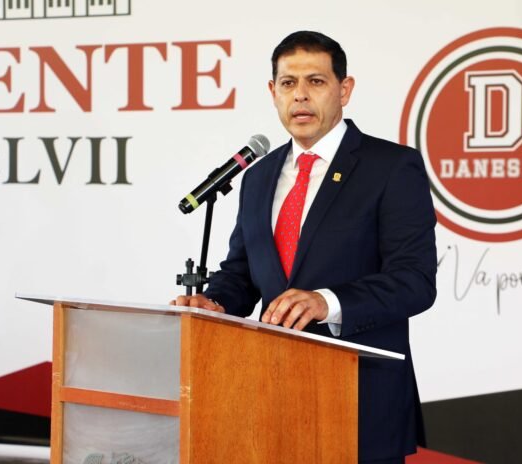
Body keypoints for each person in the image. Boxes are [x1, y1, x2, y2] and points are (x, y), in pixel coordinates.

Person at [172, 30, 437, 463]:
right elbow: (243, 273)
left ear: (344, 90)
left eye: (315, 81)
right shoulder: (258, 176)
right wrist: (214, 303)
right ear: (272, 91)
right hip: (270, 399)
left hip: (358, 401)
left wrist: (326, 302)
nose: (300, 95)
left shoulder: (390, 167)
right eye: (288, 83)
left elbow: (414, 281)